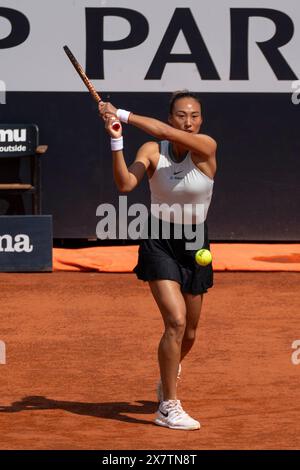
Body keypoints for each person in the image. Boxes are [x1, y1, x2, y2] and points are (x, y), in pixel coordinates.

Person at [99, 90, 217, 431]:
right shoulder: (152, 151)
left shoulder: (207, 147)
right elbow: (125, 184)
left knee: (191, 333)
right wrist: (117, 142)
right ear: (171, 116)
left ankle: (168, 379)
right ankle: (168, 405)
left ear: (201, 120)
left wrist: (120, 111)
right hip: (158, 240)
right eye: (181, 115)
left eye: (194, 115)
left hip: (196, 244)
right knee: (176, 322)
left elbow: (165, 134)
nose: (188, 121)